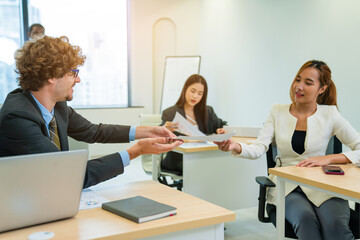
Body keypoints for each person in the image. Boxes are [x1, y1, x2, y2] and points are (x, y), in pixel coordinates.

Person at [0, 35, 182, 189]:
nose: (78, 79)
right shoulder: (17, 118)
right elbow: (70, 175)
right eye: (73, 72)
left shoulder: (58, 106)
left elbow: (93, 131)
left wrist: (147, 131)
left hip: (49, 196)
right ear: (51, 75)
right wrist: (136, 151)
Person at [215, 60, 360, 240]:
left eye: (308, 83)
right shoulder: (277, 111)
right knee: (305, 220)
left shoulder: (329, 114)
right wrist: (235, 146)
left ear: (321, 89)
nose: (299, 87)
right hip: (287, 186)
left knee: (335, 225)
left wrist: (329, 159)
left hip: (322, 185)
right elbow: (259, 147)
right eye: (297, 80)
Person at [160, 74, 227, 175]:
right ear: (185, 89)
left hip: (203, 156)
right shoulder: (170, 112)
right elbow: (158, 133)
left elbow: (221, 125)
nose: (195, 96)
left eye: (200, 93)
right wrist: (165, 129)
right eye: (192, 91)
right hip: (179, 159)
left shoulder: (208, 111)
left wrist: (220, 130)